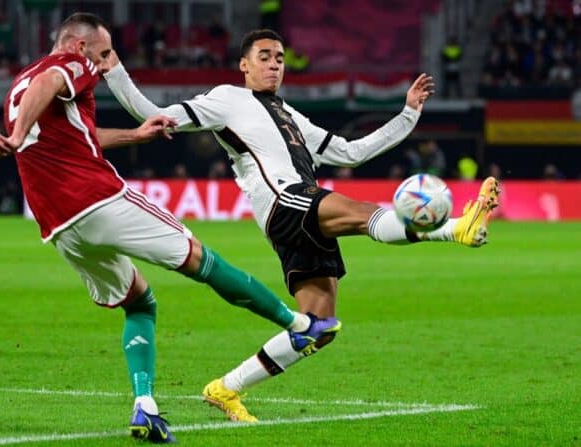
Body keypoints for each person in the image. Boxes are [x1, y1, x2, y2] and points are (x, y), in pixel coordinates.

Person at [103, 28, 501, 422]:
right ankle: (454, 229)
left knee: (319, 326)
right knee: (360, 213)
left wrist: (408, 113)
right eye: (264, 57)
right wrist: (115, 69)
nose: (274, 64)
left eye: (279, 58)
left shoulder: (291, 115)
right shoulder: (226, 99)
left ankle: (226, 388)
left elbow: (352, 152)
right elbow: (150, 112)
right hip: (284, 201)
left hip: (300, 211)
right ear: (244, 65)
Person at [0, 16, 337, 443]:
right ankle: (298, 324)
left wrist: (136, 135)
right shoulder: (69, 64)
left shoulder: (18, 85)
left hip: (58, 224)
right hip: (98, 199)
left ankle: (144, 408)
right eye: (104, 54)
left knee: (140, 303)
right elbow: (53, 79)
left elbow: (81, 137)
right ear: (79, 46)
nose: (106, 64)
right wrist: (16, 137)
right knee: (200, 259)